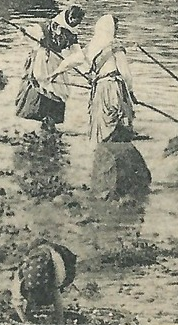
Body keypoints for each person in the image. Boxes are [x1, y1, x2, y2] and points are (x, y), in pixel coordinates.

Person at [57, 14, 151, 199]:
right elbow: (126, 75)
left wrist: (56, 72)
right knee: (118, 121)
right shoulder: (116, 47)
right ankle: (122, 167)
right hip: (114, 88)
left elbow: (73, 61)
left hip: (99, 89)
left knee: (102, 123)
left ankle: (104, 163)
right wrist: (131, 93)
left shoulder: (92, 45)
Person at [17, 6, 83, 137]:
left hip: (58, 64)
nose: (74, 22)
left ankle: (50, 121)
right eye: (72, 19)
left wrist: (82, 67)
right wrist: (25, 31)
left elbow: (78, 55)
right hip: (43, 60)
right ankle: (43, 121)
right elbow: (33, 32)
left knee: (58, 91)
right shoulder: (48, 26)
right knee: (42, 87)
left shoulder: (71, 34)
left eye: (77, 21)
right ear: (68, 16)